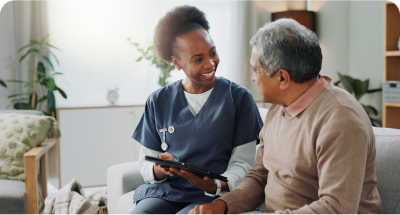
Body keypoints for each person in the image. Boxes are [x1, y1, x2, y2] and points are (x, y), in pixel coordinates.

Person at [188, 18, 383, 215]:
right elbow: (260, 177)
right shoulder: (279, 107)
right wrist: (222, 206)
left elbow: (336, 209)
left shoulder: (340, 119)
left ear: (282, 77)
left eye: (256, 70)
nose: (253, 78)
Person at [130, 5, 263, 215]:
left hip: (215, 195)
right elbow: (147, 160)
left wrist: (217, 185)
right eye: (198, 59)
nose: (210, 64)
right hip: (167, 192)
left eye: (213, 53)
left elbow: (244, 164)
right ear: (177, 63)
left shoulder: (239, 99)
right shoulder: (158, 101)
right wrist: (160, 169)